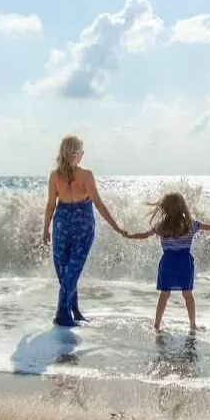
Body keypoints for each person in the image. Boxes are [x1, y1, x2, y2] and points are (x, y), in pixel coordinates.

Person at [42, 134, 126, 328]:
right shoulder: (85, 175)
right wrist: (116, 226)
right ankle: (63, 313)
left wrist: (46, 228)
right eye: (80, 151)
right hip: (81, 224)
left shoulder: (55, 175)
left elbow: (50, 205)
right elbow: (98, 203)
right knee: (70, 271)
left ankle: (73, 311)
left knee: (67, 272)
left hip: (62, 223)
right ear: (78, 154)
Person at [124, 192, 210, 333]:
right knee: (187, 294)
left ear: (164, 208)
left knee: (164, 295)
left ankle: (157, 324)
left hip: (167, 263)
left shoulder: (161, 226)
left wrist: (129, 236)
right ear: (183, 207)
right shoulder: (190, 224)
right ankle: (192, 324)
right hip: (184, 264)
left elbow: (143, 235)